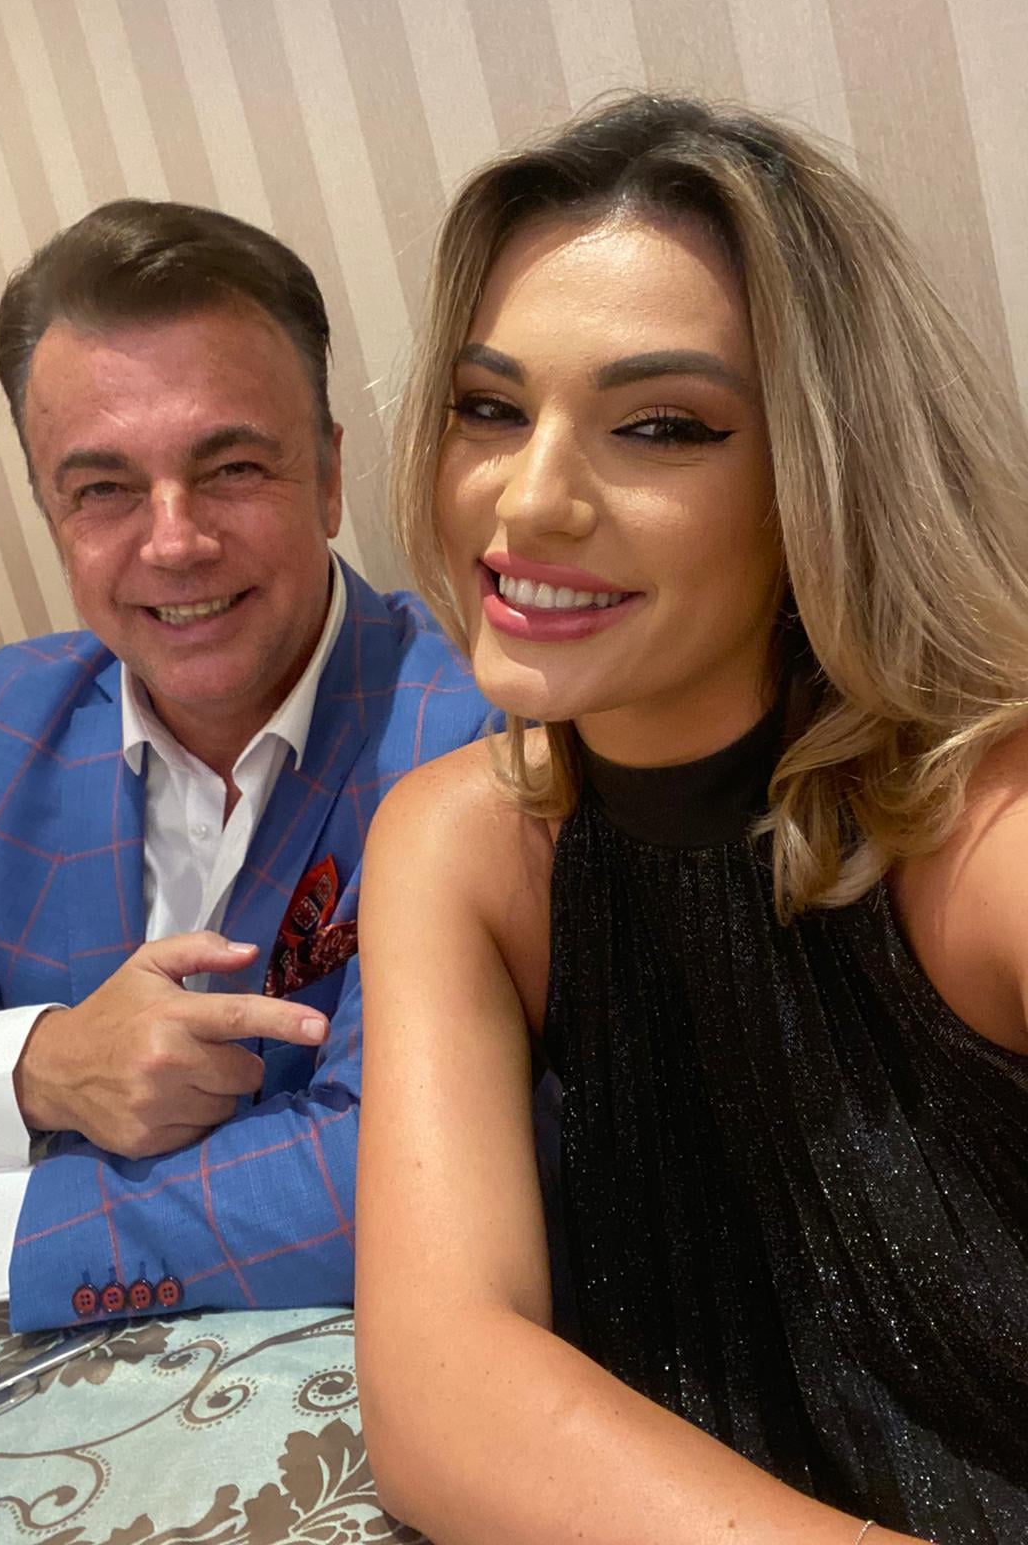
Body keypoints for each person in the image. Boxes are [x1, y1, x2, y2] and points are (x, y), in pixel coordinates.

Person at [355, 94, 1028, 1545]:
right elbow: (439, 1395)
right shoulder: (457, 845)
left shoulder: (991, 828)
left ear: (820, 476)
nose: (529, 500)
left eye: (661, 427)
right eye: (489, 408)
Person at [0, 199, 489, 1334]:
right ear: (52, 512)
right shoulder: (20, 714)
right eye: (103, 489)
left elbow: (412, 1168)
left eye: (230, 466)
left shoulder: (466, 735)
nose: (174, 540)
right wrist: (44, 1065)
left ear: (330, 477)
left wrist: (2, 1225)